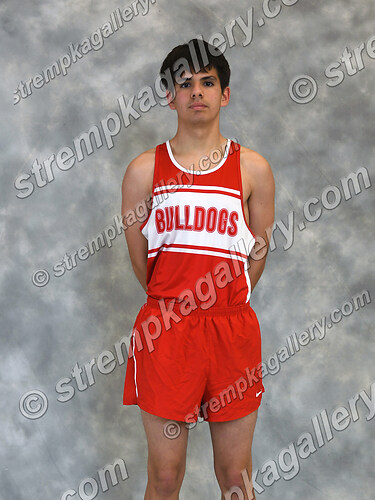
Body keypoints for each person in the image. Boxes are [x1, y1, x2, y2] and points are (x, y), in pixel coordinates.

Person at [121, 38, 275, 500]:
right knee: (166, 477)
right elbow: (141, 261)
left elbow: (258, 251)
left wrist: (225, 302)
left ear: (224, 94)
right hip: (167, 331)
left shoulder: (253, 169)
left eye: (207, 83)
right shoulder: (144, 170)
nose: (196, 92)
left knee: (235, 477)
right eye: (184, 84)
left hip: (231, 330)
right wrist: (175, 302)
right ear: (170, 97)